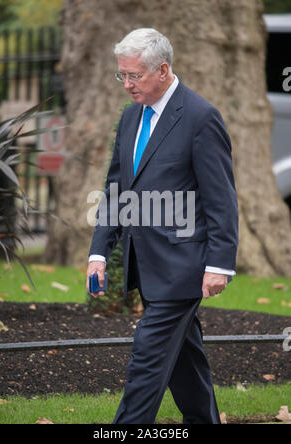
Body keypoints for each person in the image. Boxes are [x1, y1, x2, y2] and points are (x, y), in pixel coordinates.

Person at [86, 28, 238, 424]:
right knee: (186, 363)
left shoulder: (201, 118)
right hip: (148, 264)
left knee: (147, 358)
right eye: (122, 75)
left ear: (163, 70)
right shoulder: (131, 116)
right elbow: (117, 189)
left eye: (134, 76)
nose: (127, 84)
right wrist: (99, 252)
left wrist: (220, 264)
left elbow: (221, 198)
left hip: (183, 265)